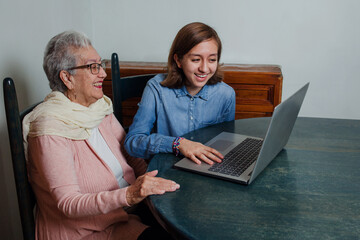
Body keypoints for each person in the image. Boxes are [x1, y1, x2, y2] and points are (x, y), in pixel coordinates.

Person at [23, 31, 179, 240]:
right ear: (67, 77)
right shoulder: (50, 128)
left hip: (124, 215)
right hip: (85, 232)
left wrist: (154, 188)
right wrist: (131, 194)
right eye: (92, 67)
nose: (103, 74)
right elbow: (68, 203)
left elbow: (131, 156)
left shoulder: (97, 108)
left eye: (101, 65)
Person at [125, 22, 236, 164]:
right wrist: (178, 144)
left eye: (212, 60)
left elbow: (226, 143)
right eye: (196, 59)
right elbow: (133, 143)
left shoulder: (226, 95)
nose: (204, 68)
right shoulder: (156, 89)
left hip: (207, 169)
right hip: (166, 172)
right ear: (178, 60)